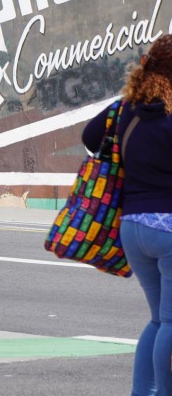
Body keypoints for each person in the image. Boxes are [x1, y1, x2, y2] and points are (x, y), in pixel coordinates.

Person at [82, 34, 172, 396]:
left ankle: (144, 392)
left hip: (133, 227)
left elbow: (90, 136)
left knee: (158, 319)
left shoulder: (125, 109)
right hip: (168, 228)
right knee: (170, 322)